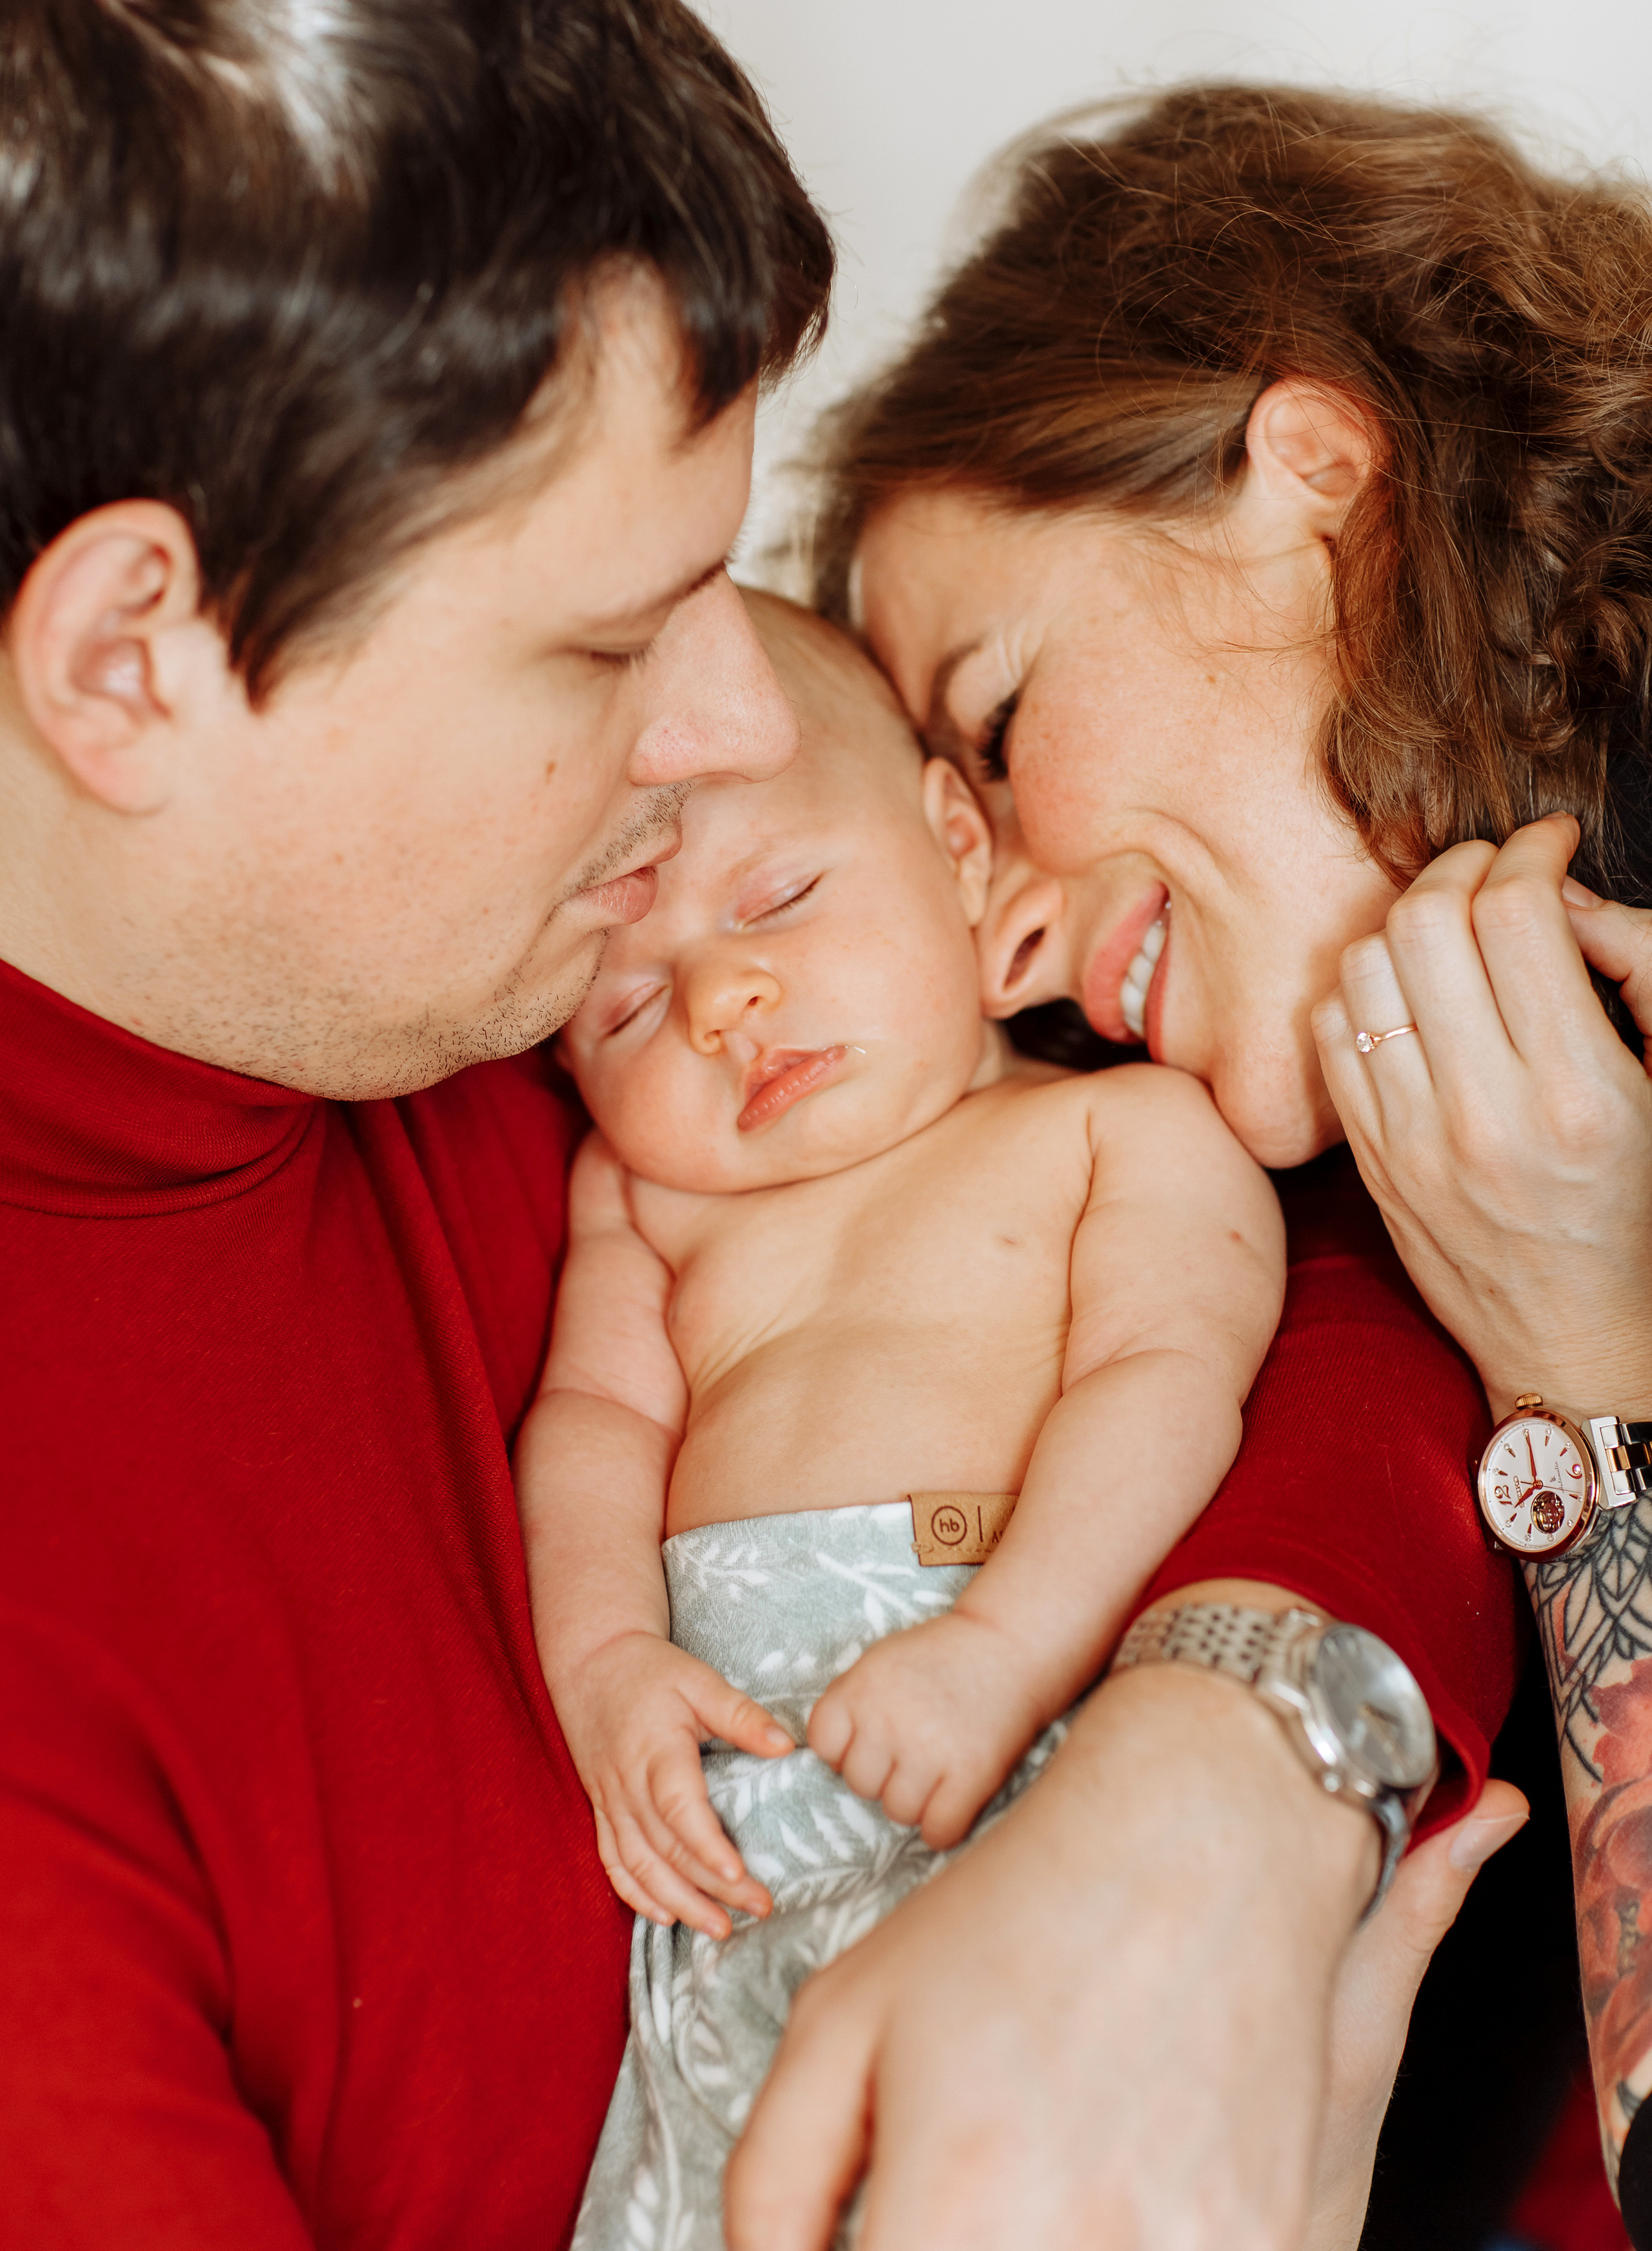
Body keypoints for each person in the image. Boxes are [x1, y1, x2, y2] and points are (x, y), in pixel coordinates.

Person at [0, 0, 1518, 2250]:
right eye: (609, 642)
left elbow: (1306, 1243)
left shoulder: (516, 962)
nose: (731, 731)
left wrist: (1219, 1780)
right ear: (131, 665)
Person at [818, 79, 1652, 2241]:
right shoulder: (1303, 1205)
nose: (998, 915)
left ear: (1322, 483)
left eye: (996, 730)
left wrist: (1587, 1364)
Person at [519, 593, 1287, 2247]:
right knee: (709, 2166)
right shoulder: (644, 1193)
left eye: (780, 897)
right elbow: (587, 1423)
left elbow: (1165, 1389)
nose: (724, 999)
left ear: (956, 846)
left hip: (1017, 1703)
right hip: (733, 1782)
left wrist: (1008, 1643)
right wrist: (600, 1661)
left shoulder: (1124, 1135)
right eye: (628, 1010)